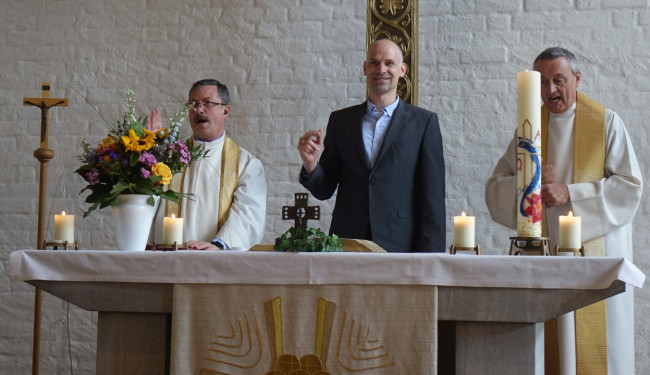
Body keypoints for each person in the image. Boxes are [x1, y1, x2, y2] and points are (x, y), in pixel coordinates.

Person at [485, 47, 642, 374]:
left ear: (577, 79)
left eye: (559, 80)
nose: (551, 90)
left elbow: (629, 186)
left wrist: (569, 192)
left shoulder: (606, 123)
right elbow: (496, 186)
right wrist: (528, 182)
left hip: (594, 255)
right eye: (542, 82)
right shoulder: (529, 129)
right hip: (545, 255)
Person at [297, 39, 446, 253]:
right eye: (374, 63)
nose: (381, 69)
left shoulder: (423, 124)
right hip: (347, 243)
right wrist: (311, 164)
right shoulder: (341, 121)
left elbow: (433, 199)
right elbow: (324, 189)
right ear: (365, 68)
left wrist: (432, 259)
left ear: (402, 70)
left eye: (389, 63)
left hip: (401, 246)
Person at [147, 79, 266, 250]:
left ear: (226, 110)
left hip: (217, 265)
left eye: (208, 103)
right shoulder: (168, 158)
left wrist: (219, 245)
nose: (199, 110)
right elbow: (145, 201)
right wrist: (148, 155)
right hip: (165, 262)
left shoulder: (246, 164)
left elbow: (249, 214)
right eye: (193, 104)